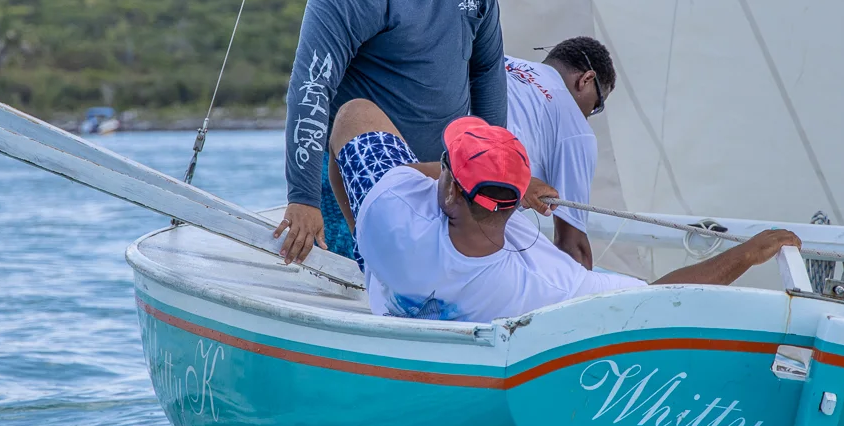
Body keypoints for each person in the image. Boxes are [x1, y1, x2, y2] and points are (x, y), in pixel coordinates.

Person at [327, 99, 801, 323]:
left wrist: (365, 237)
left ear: (449, 189)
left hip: (383, 268)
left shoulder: (390, 210)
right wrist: (745, 254)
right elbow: (664, 297)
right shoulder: (543, 288)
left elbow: (351, 116)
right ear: (514, 207)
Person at [274, 0, 506, 265]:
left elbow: (488, 67)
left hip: (449, 181)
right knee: (368, 295)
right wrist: (303, 199)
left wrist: (495, 169)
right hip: (360, 181)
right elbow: (311, 88)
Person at [503, 36, 614, 268]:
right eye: (596, 106)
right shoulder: (577, 129)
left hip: (415, 167)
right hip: (456, 216)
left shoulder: (502, 61)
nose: (588, 116)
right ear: (586, 79)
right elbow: (573, 248)